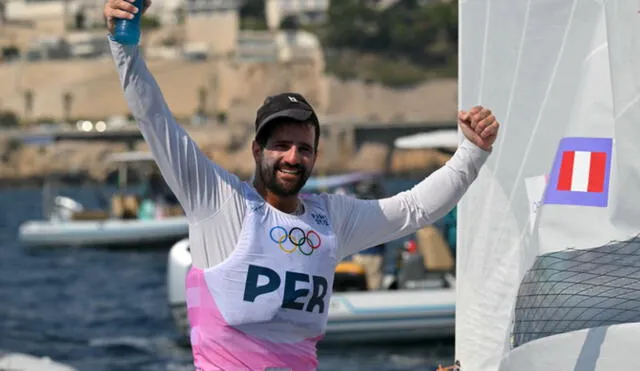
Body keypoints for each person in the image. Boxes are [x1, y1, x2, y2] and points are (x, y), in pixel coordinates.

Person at [104, 1, 500, 369]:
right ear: (257, 149)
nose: (293, 157)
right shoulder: (221, 203)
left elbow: (414, 209)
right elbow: (157, 125)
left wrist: (473, 152)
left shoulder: (331, 219)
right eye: (281, 146)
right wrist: (124, 44)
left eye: (304, 148)